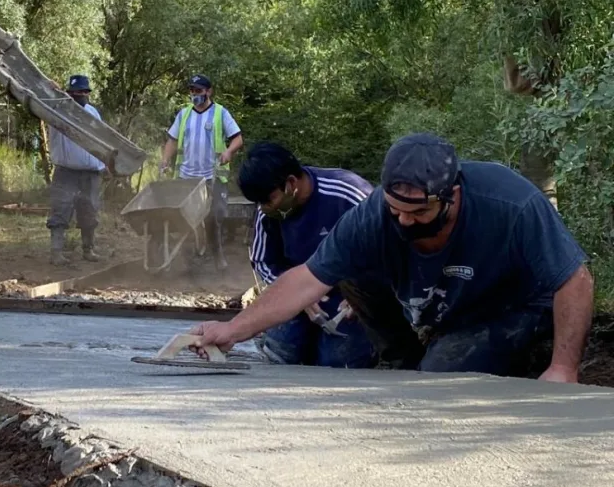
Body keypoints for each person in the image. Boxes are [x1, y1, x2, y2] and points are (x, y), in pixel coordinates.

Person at [192, 133, 593, 383]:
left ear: (451, 196)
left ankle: (512, 355)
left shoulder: (512, 203)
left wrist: (563, 369)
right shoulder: (374, 214)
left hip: (509, 307)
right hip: (445, 305)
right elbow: (306, 279)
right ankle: (403, 359)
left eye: (418, 213)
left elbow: (575, 279)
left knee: (438, 379)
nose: (404, 221)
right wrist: (233, 330)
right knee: (349, 274)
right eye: (395, 210)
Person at [240, 143, 374, 368]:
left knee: (338, 362)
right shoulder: (268, 213)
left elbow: (388, 248)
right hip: (299, 293)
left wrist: (366, 295)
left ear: (291, 183)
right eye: (259, 203)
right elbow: (263, 261)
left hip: (349, 296)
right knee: (282, 351)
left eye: (268, 200)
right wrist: (296, 296)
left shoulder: (348, 194)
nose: (263, 209)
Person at [160, 74, 244, 270]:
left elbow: (238, 138)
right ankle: (189, 257)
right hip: (186, 177)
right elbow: (172, 140)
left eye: (198, 91)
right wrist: (164, 160)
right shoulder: (184, 114)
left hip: (211, 176)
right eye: (192, 91)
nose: (194, 94)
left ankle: (217, 256)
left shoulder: (220, 113)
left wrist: (228, 151)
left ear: (209, 91)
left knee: (214, 216)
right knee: (183, 218)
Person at [46, 74, 106, 265]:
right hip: (66, 171)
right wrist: (52, 90)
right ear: (69, 94)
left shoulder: (93, 112)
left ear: (87, 93)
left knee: (89, 211)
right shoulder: (57, 110)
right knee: (60, 210)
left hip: (91, 173)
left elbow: (102, 140)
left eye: (83, 92)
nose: (80, 95)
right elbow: (40, 98)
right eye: (76, 92)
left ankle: (88, 250)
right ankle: (56, 253)